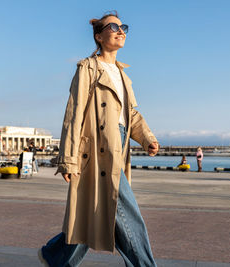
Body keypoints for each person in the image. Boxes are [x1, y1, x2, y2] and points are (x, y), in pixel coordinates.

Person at [39, 11, 159, 267]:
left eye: (123, 26)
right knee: (127, 214)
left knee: (93, 213)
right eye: (113, 26)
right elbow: (74, 112)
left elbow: (132, 114)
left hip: (120, 143)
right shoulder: (88, 68)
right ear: (98, 36)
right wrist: (68, 159)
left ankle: (55, 256)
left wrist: (147, 138)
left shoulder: (123, 75)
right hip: (97, 148)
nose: (120, 30)